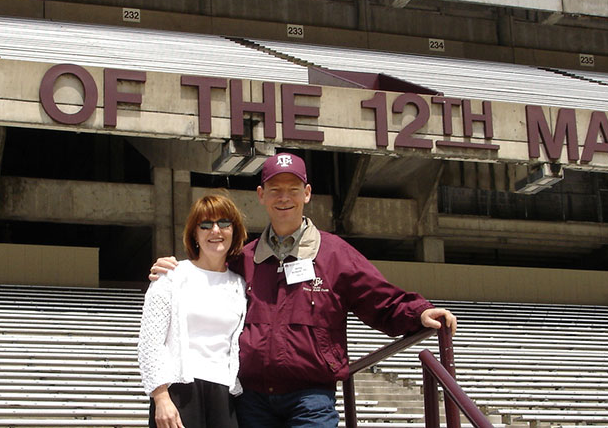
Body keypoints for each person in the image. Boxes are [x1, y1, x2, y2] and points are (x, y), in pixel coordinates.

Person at [151, 152, 457, 428]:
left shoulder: (335, 253)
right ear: (261, 195)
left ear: (307, 194)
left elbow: (379, 299)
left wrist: (419, 312)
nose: (284, 198)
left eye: (293, 190)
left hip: (310, 397)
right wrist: (172, 266)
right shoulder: (244, 259)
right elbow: (207, 271)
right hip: (252, 400)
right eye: (275, 190)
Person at [138, 193, 249, 428]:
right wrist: (161, 398)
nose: (215, 231)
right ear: (195, 234)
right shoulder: (170, 277)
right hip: (179, 392)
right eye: (206, 225)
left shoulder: (240, 285)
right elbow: (150, 343)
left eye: (224, 223)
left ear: (234, 231)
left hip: (224, 393)